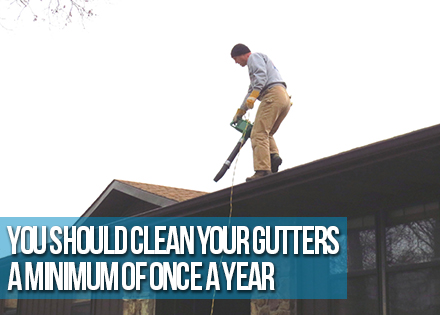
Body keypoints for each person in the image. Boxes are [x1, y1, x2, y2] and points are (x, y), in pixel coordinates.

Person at [231, 43, 291, 182]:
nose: (236, 62)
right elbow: (251, 90)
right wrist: (241, 111)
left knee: (257, 133)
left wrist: (255, 93)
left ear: (242, 54)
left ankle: (262, 170)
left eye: (235, 58)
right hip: (283, 97)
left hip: (272, 94)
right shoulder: (261, 62)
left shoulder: (254, 58)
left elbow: (260, 77)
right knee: (266, 132)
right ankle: (272, 157)